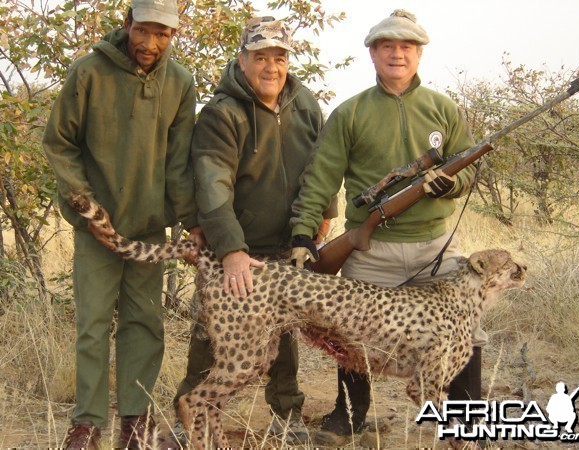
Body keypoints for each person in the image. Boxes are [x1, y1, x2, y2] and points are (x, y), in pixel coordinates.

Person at [289, 9, 482, 444]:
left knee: (468, 332)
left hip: (434, 248)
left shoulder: (443, 108)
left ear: (419, 55)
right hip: (370, 248)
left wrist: (450, 185)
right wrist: (304, 234)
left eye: (407, 47)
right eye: (388, 46)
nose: (398, 54)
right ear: (373, 54)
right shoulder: (350, 112)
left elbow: (469, 167)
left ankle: (468, 423)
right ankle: (349, 417)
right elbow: (321, 178)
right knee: (348, 331)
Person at [42, 0, 202, 448]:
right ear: (127, 24)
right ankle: (87, 422)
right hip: (96, 225)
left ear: (173, 34)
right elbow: (60, 143)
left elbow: (178, 162)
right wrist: (87, 207)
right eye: (143, 31)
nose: (151, 43)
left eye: (163, 34)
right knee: (92, 322)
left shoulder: (181, 82)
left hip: (149, 229)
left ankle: (136, 421)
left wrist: (192, 222)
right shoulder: (89, 72)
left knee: (144, 323)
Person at [169, 16, 335, 446]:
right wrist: (231, 250)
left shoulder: (306, 104)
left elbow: (321, 165)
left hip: (288, 242)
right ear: (242, 60)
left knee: (284, 331)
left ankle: (287, 414)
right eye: (261, 57)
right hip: (236, 247)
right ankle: (191, 414)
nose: (271, 67)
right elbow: (212, 184)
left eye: (279, 57)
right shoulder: (221, 114)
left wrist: (324, 212)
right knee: (213, 332)